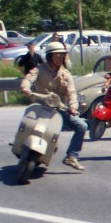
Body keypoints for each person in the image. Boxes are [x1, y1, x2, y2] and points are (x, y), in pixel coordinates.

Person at [21, 42, 87, 170]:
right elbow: (28, 79)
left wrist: (73, 106)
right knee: (27, 123)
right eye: (57, 55)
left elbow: (72, 92)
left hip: (59, 108)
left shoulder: (66, 74)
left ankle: (71, 157)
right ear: (50, 56)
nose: (61, 58)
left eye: (63, 55)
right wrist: (26, 87)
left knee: (82, 126)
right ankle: (21, 142)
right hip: (41, 105)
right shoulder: (40, 69)